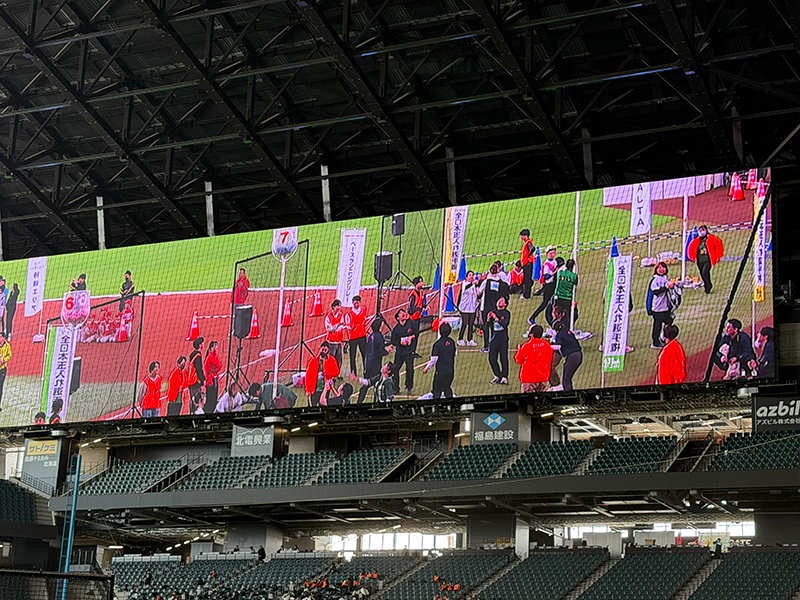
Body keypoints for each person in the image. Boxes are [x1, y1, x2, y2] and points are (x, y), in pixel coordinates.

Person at [359, 319, 393, 403]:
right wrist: (387, 352)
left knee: (366, 385)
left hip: (368, 363)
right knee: (377, 383)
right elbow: (380, 351)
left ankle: (359, 401)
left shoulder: (371, 335)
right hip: (375, 365)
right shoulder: (379, 336)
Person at [479, 264, 510, 352]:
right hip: (496, 309)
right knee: (494, 328)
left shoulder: (485, 282)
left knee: (486, 327)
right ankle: (494, 345)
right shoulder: (501, 283)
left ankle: (486, 346)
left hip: (485, 307)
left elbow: (479, 293)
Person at [515, 324, 554, 393]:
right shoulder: (547, 345)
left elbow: (518, 360)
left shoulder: (527, 346)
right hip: (543, 378)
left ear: (532, 335)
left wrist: (519, 350)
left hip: (529, 379)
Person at [423, 322, 457, 399]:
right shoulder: (452, 342)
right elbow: (455, 353)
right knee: (447, 388)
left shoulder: (437, 344)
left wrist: (427, 368)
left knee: (437, 391)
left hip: (440, 373)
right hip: (450, 372)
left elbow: (434, 359)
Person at [687, 225, 724, 294]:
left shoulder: (711, 238)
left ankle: (708, 286)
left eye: (703, 230)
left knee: (705, 272)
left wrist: (718, 256)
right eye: (700, 230)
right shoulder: (696, 240)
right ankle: (707, 285)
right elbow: (691, 248)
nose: (701, 232)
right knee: (702, 273)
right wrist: (691, 257)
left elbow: (718, 245)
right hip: (699, 260)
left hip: (708, 259)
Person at [646, 261, 675, 349]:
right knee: (657, 325)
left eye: (663, 267)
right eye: (659, 268)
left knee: (669, 321)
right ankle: (655, 342)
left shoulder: (665, 278)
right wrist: (666, 288)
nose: (661, 269)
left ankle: (664, 336)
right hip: (657, 307)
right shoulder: (655, 279)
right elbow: (655, 291)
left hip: (665, 306)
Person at [305, 342, 340, 407]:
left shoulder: (331, 360)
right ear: (319, 349)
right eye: (322, 349)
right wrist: (308, 390)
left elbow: (336, 372)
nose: (323, 351)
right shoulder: (313, 361)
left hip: (325, 389)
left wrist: (327, 373)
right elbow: (308, 376)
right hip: (315, 389)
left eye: (325, 350)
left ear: (328, 350)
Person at [390, 309, 416, 394]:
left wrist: (411, 337)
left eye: (403, 312)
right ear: (398, 318)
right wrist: (400, 342)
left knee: (410, 369)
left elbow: (416, 333)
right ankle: (396, 389)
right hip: (400, 352)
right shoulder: (396, 329)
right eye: (401, 313)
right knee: (395, 369)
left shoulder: (411, 324)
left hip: (409, 351)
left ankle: (409, 387)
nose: (403, 314)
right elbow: (393, 341)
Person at [529, 245, 557, 323]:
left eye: (554, 253)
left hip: (553, 284)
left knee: (553, 302)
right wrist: (553, 273)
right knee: (545, 303)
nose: (552, 255)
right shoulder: (547, 264)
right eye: (551, 253)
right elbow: (546, 276)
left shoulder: (555, 262)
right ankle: (532, 317)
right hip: (548, 285)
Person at [552, 320, 582, 391]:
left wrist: (547, 347)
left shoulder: (559, 335)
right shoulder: (569, 333)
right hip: (579, 355)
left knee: (566, 380)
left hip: (572, 357)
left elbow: (558, 346)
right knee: (568, 378)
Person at [487, 297, 511, 385]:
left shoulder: (506, 313)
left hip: (503, 338)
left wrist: (496, 318)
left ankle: (504, 377)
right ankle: (497, 375)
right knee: (492, 358)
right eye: (499, 300)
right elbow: (488, 326)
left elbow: (505, 324)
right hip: (494, 338)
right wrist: (488, 319)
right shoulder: (493, 312)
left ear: (505, 304)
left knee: (503, 358)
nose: (499, 301)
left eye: (502, 301)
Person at [346, 295, 368, 376]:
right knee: (352, 356)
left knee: (364, 355)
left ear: (360, 302)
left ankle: (366, 371)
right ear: (352, 303)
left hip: (362, 336)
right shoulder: (349, 314)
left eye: (357, 303)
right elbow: (348, 326)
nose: (356, 305)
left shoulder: (364, 310)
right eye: (355, 303)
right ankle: (353, 373)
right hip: (353, 338)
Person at [457, 271, 479, 347]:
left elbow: (477, 294)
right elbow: (467, 288)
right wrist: (473, 283)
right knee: (465, 323)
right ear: (466, 277)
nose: (471, 276)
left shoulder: (474, 285)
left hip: (472, 308)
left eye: (472, 275)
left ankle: (470, 339)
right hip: (464, 308)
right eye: (470, 275)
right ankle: (460, 339)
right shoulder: (464, 284)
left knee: (471, 324)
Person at [408, 276, 427, 357]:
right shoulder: (413, 295)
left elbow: (420, 303)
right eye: (420, 282)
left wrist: (425, 306)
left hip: (418, 317)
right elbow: (411, 309)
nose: (422, 283)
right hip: (412, 319)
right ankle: (410, 352)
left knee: (416, 335)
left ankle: (413, 351)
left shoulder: (421, 292)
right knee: (412, 335)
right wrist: (420, 309)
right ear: (416, 284)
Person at [324, 300, 346, 367]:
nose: (339, 308)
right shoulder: (328, 317)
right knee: (331, 359)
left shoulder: (341, 315)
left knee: (339, 360)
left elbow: (340, 327)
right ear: (333, 307)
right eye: (337, 306)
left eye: (340, 306)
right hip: (331, 342)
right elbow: (329, 329)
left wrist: (336, 327)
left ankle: (337, 372)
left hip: (338, 341)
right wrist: (338, 325)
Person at [204, 341, 222, 414]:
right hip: (210, 380)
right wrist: (215, 369)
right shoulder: (210, 357)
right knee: (211, 398)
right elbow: (216, 366)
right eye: (215, 346)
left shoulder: (215, 356)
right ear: (212, 348)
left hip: (214, 379)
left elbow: (219, 366)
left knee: (214, 397)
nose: (217, 348)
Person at [188, 337, 205, 414]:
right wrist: (202, 379)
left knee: (192, 399)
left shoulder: (192, 355)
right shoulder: (198, 356)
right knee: (197, 400)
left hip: (191, 381)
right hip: (195, 382)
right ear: (200, 345)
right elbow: (199, 370)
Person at [519, 229, 536, 299]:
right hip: (527, 263)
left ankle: (526, 295)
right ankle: (526, 293)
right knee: (527, 279)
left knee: (527, 280)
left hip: (527, 263)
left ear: (525, 236)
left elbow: (532, 248)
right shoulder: (527, 242)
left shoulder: (528, 242)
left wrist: (528, 256)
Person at [0, 332, 10, 412]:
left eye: (1, 337)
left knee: (0, 388)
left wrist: (3, 360)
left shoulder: (7, 346)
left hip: (2, 369)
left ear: (3, 338)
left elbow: (9, 355)